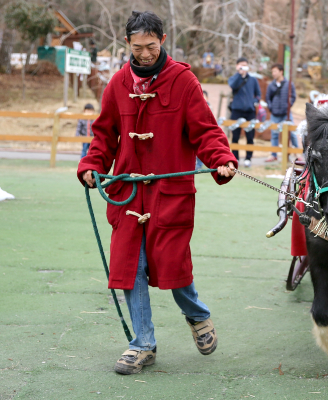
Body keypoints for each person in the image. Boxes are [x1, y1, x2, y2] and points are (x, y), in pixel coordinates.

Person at [77, 11, 238, 376]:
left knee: (173, 264)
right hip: (129, 195)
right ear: (127, 45)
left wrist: (221, 158)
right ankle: (142, 344)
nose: (146, 53)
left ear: (162, 40)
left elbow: (205, 131)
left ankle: (197, 315)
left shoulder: (183, 81)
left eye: (151, 46)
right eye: (138, 47)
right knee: (130, 266)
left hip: (171, 193)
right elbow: (103, 135)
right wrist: (91, 165)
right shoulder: (118, 83)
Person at [228, 57, 261, 167]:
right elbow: (232, 86)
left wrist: (254, 101)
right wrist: (239, 73)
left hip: (249, 111)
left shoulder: (253, 80)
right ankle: (235, 157)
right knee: (235, 136)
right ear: (237, 66)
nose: (244, 67)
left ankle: (248, 158)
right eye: (241, 65)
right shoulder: (234, 78)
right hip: (236, 111)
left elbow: (258, 95)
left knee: (250, 136)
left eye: (245, 65)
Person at [265, 63, 298, 162]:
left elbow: (293, 96)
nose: (273, 73)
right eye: (272, 72)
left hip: (285, 113)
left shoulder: (289, 84)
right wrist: (271, 108)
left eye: (275, 71)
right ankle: (273, 154)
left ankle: (296, 153)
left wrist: (288, 106)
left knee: (292, 133)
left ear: (281, 71)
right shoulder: (271, 85)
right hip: (275, 113)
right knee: (274, 134)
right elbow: (268, 98)